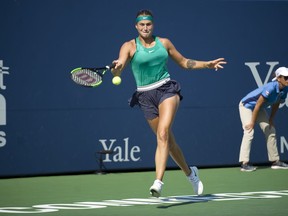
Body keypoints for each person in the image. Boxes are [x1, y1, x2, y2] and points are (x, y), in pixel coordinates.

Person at [111, 9, 227, 197]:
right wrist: (116, 69)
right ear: (136, 26)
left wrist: (207, 64)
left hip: (166, 89)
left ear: (152, 25)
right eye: (142, 25)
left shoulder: (164, 43)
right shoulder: (128, 46)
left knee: (163, 133)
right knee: (168, 141)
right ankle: (191, 174)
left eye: (148, 24)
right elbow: (119, 69)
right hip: (144, 96)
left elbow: (183, 62)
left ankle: (158, 181)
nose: (145, 27)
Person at [239, 66, 288, 172]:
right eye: (286, 77)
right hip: (246, 106)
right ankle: (244, 163)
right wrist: (252, 122)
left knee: (270, 130)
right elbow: (257, 105)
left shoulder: (285, 89)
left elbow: (276, 104)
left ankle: (275, 162)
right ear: (279, 78)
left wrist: (271, 119)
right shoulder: (270, 87)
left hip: (259, 108)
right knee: (249, 131)